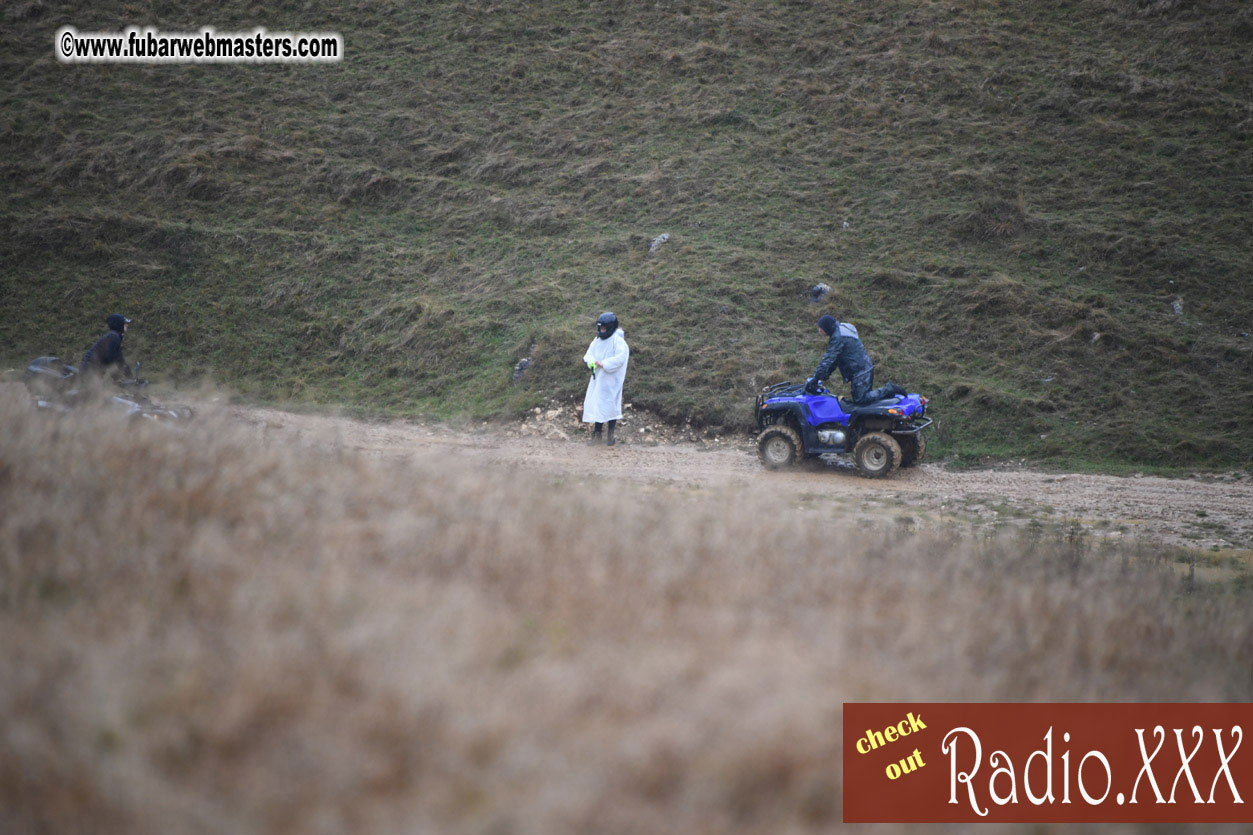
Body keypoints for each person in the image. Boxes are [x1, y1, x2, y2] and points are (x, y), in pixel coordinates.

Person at [804, 314, 904, 404]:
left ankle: (890, 389)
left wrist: (816, 377)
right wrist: (824, 375)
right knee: (864, 400)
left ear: (827, 327)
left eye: (821, 328)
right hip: (862, 368)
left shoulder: (838, 337)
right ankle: (887, 399)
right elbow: (835, 360)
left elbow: (828, 359)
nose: (819, 330)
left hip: (861, 371)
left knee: (861, 399)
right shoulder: (841, 329)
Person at [582, 311, 629, 445]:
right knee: (598, 405)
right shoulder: (597, 340)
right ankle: (597, 436)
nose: (602, 331)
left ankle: (611, 436)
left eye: (604, 328)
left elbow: (620, 358)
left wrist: (604, 364)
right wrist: (591, 362)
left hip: (612, 380)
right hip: (598, 379)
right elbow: (589, 354)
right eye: (600, 328)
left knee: (611, 407)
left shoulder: (618, 342)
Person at [80, 313, 135, 381]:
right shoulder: (113, 337)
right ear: (118, 324)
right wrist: (117, 377)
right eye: (125, 323)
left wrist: (130, 377)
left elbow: (120, 360)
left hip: (92, 368)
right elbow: (111, 359)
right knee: (94, 390)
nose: (127, 324)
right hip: (90, 370)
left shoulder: (115, 337)